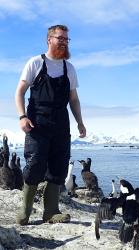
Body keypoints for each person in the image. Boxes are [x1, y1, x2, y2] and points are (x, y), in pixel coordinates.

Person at [15, 24, 86, 225]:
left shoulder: (69, 68)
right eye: (60, 38)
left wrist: (80, 122)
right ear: (49, 40)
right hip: (37, 122)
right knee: (35, 164)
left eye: (66, 39)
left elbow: (73, 99)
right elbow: (19, 92)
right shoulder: (35, 63)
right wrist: (22, 116)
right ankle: (25, 212)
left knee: (59, 167)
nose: (64, 42)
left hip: (61, 124)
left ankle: (51, 212)